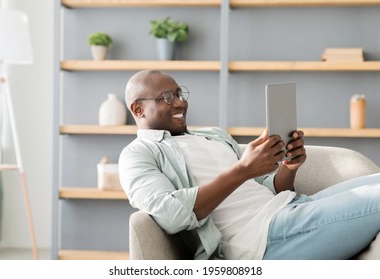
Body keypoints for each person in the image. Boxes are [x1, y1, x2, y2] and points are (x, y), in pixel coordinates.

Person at [119, 69, 380, 260]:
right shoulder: (138, 155)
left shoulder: (214, 135)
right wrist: (242, 170)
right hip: (261, 238)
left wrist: (288, 168)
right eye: (167, 97)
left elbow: (266, 188)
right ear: (138, 109)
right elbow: (170, 214)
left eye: (179, 93)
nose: (180, 102)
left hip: (293, 207)